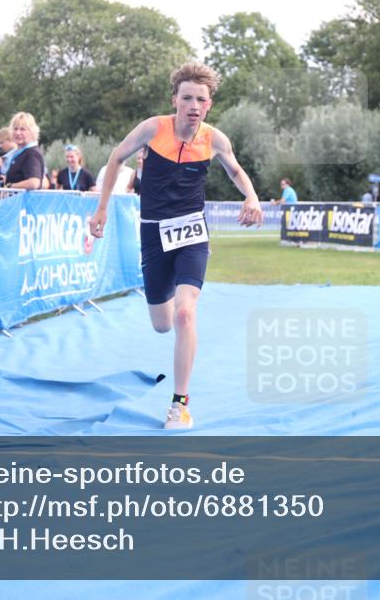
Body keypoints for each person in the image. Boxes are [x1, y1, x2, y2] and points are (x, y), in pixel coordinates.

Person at [88, 62, 263, 430]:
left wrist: (251, 197)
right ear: (175, 100)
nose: (194, 105)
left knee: (185, 314)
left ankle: (179, 405)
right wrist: (102, 207)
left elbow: (234, 169)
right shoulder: (153, 128)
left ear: (209, 104)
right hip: (153, 232)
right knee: (163, 324)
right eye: (187, 98)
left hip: (191, 231)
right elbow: (116, 158)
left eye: (201, 99)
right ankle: (166, 298)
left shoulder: (215, 138)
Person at [1, 112, 44, 189]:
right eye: (15, 129)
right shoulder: (21, 152)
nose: (17, 133)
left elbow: (34, 182)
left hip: (26, 200)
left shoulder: (32, 153)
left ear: (32, 132)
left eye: (22, 129)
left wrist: (10, 186)